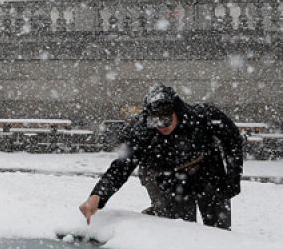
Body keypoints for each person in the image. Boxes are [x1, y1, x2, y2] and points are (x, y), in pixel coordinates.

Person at [78, 85, 243, 230]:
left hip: (208, 170)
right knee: (180, 228)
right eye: (154, 121)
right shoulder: (142, 130)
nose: (161, 126)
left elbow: (233, 140)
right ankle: (159, 213)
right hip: (168, 176)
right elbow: (122, 167)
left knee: (218, 228)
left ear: (176, 111)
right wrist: (97, 197)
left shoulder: (203, 117)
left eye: (165, 120)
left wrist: (233, 178)